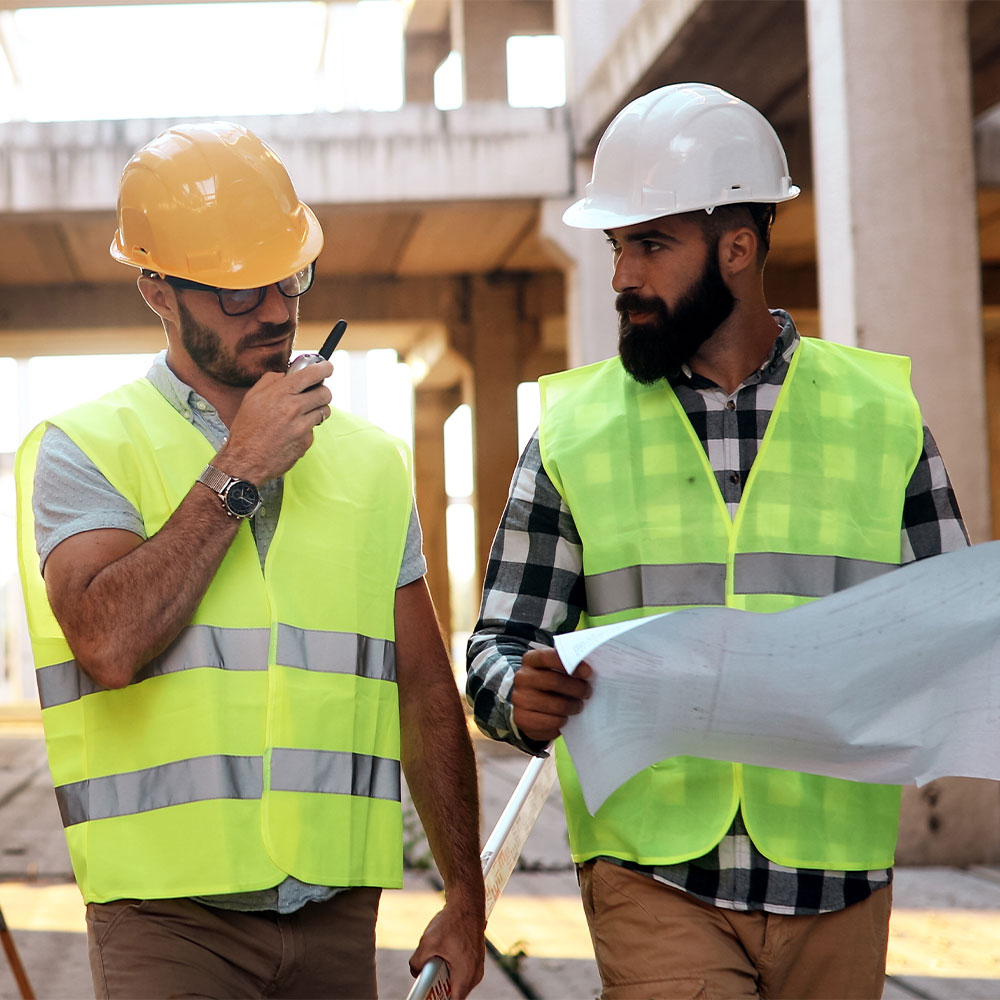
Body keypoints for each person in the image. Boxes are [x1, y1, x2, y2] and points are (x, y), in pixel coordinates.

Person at [467, 83, 969, 998]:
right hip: (655, 875)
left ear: (737, 247)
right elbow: (497, 649)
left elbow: (948, 641)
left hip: (838, 878)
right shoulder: (574, 433)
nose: (622, 276)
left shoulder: (880, 420)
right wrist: (519, 697)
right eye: (618, 246)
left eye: (650, 244)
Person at [15, 121, 485, 1000]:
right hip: (168, 920)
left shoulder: (369, 460)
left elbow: (422, 689)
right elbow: (108, 643)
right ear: (157, 288)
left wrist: (466, 895)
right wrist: (239, 468)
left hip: (337, 912)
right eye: (237, 295)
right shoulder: (87, 449)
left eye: (288, 279)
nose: (274, 310)